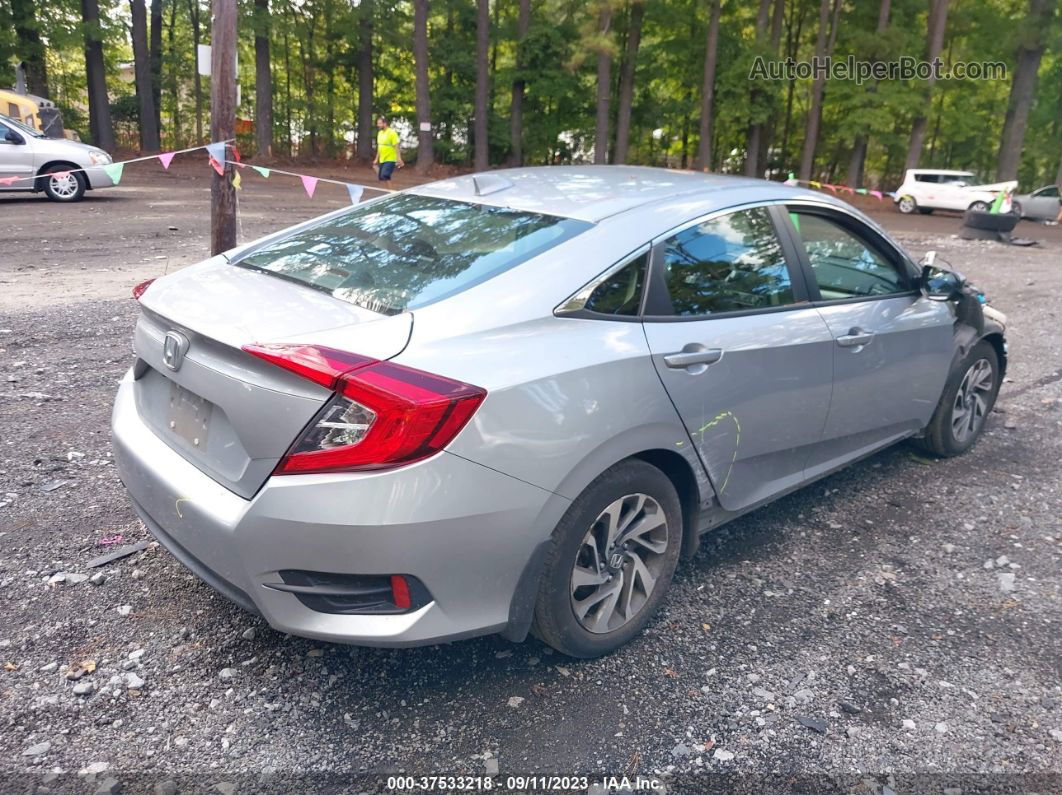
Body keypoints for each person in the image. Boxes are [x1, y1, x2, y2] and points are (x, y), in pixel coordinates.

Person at [372, 116, 403, 182]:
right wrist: (376, 159)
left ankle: (392, 191)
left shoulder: (392, 133)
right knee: (381, 178)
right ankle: (389, 191)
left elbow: (396, 146)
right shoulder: (380, 133)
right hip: (382, 159)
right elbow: (380, 146)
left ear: (385, 123)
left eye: (379, 123)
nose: (378, 125)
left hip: (390, 158)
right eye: (377, 123)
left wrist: (399, 158)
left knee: (384, 176)